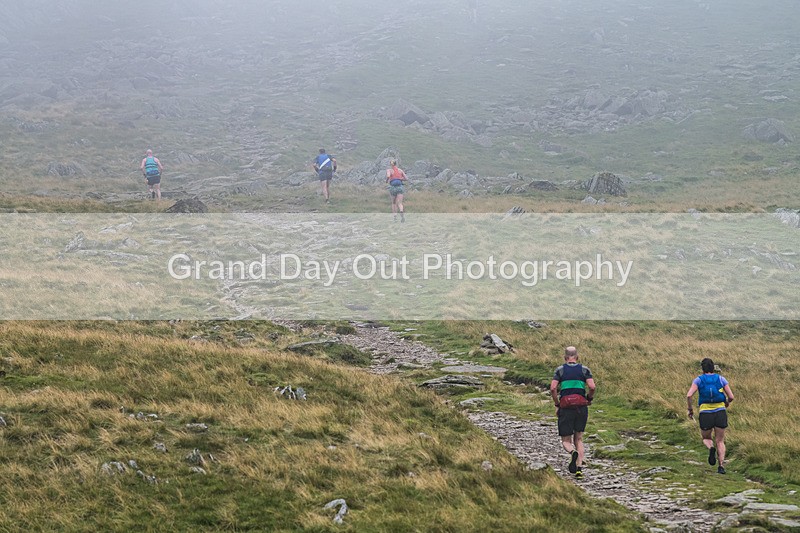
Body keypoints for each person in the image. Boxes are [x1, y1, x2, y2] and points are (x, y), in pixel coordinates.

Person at [550, 346, 596, 479]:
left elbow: (553, 388)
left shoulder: (560, 370)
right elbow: (592, 387)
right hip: (581, 407)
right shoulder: (585, 369)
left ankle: (572, 452)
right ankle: (579, 468)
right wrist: (589, 399)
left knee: (566, 440)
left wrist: (557, 404)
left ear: (565, 358)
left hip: (566, 407)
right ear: (577, 357)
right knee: (579, 438)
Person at [686, 358, 734, 474]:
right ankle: (721, 466)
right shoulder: (721, 379)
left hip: (705, 413)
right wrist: (726, 402)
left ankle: (711, 448)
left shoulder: (698, 380)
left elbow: (689, 395)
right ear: (713, 368)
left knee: (706, 438)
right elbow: (731, 397)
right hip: (720, 412)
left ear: (702, 369)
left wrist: (690, 409)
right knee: (720, 441)